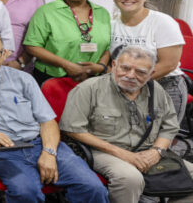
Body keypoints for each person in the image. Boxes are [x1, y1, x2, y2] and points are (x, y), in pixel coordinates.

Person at [0, 33, 108, 203]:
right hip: (4, 152)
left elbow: (47, 121)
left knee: (92, 187)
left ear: (4, 54)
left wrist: (49, 153)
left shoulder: (23, 79)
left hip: (41, 144)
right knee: (26, 193)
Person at [60, 46, 191, 203]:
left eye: (140, 72)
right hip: (103, 151)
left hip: (148, 150)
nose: (130, 75)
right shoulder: (89, 89)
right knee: (130, 178)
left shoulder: (156, 90)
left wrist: (157, 151)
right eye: (125, 68)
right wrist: (123, 154)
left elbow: (170, 126)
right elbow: (73, 129)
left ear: (151, 74)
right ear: (114, 65)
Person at [111, 0, 188, 124]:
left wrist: (130, 83)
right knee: (129, 138)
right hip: (124, 87)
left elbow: (168, 64)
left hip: (163, 86)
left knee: (158, 139)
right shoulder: (112, 23)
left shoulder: (163, 22)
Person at [23, 0, 111, 86]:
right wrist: (67, 65)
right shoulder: (47, 11)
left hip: (92, 81)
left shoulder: (102, 13)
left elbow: (107, 47)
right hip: (53, 79)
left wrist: (101, 66)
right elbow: (32, 46)